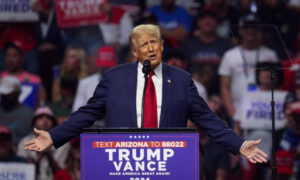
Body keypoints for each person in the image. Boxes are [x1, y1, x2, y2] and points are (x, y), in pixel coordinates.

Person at [24, 24, 268, 164]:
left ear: (163, 44)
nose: (151, 49)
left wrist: (240, 144)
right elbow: (87, 114)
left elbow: (208, 119)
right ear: (133, 51)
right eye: (144, 45)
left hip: (168, 164)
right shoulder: (114, 78)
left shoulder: (182, 79)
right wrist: (54, 137)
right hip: (124, 163)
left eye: (155, 42)